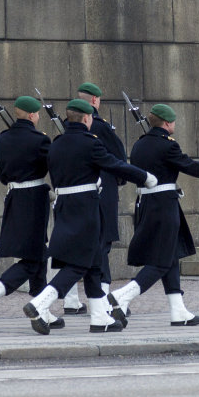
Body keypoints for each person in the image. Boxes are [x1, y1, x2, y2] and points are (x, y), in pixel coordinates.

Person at [23, 99, 149, 334]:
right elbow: (114, 164)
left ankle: (100, 317)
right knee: (80, 264)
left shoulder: (57, 143)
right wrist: (144, 177)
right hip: (86, 209)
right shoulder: (91, 143)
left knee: (93, 263)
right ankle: (40, 303)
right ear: (87, 118)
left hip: (64, 207)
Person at [109, 104, 199, 327]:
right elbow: (190, 166)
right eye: (173, 122)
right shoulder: (167, 146)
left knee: (171, 255)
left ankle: (178, 310)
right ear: (167, 123)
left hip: (146, 204)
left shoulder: (139, 145)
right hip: (164, 207)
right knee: (160, 261)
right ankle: (123, 296)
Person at [0, 96, 62, 331]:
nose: (38, 117)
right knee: (32, 259)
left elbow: (2, 175)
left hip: (14, 197)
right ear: (31, 115)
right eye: (37, 114)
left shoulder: (2, 139)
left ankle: (42, 308)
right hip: (35, 199)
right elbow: (55, 167)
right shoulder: (40, 140)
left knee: (39, 254)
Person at [64, 81, 124, 314]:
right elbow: (118, 158)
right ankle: (103, 298)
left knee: (74, 246)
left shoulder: (67, 130)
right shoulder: (102, 126)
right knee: (102, 245)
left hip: (73, 193)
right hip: (102, 191)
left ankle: (70, 299)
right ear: (95, 101)